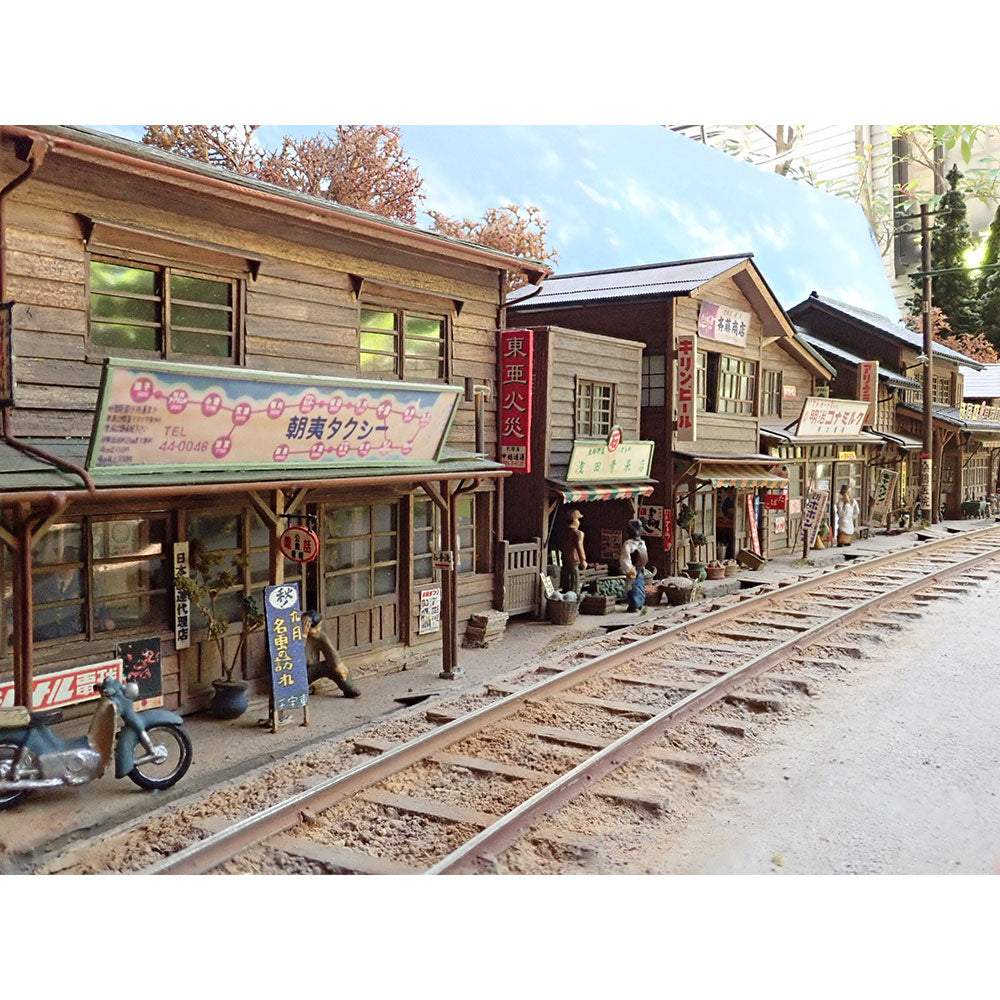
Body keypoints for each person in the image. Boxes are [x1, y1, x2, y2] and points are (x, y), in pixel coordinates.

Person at [303, 611, 360, 698]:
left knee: (332, 667)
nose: (318, 630)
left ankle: (349, 689)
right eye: (315, 628)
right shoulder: (296, 637)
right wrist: (303, 636)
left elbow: (331, 653)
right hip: (297, 674)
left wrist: (338, 665)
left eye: (319, 627)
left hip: (311, 669)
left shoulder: (320, 635)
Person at [619, 518, 649, 613]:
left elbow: (625, 558)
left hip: (634, 569)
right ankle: (637, 604)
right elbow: (627, 559)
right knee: (636, 586)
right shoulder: (641, 543)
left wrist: (628, 569)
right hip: (636, 568)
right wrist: (630, 569)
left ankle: (635, 605)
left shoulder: (628, 544)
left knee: (634, 587)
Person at [559, 508, 587, 596]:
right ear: (575, 521)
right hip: (573, 559)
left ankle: (565, 592)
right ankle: (573, 595)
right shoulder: (577, 533)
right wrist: (583, 560)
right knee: (574, 578)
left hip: (565, 557)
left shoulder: (564, 532)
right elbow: (579, 547)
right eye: (578, 519)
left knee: (565, 577)